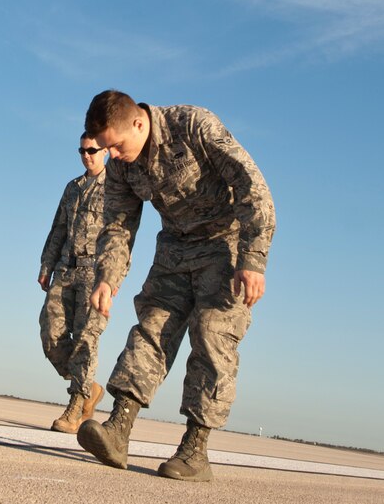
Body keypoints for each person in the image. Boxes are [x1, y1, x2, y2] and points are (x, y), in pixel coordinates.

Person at [76, 90, 275, 482]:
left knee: (212, 339)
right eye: (104, 149)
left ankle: (194, 451)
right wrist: (107, 278)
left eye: (114, 146)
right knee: (150, 327)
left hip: (226, 244)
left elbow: (253, 187)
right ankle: (118, 429)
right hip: (175, 246)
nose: (110, 156)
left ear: (138, 123)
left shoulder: (193, 125)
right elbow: (117, 223)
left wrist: (253, 259)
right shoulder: (120, 164)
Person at [38, 133, 110, 434]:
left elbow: (123, 238)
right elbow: (58, 228)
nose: (86, 156)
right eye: (82, 150)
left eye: (92, 150)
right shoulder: (73, 188)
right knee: (51, 335)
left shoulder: (117, 189)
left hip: (94, 274)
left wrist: (111, 278)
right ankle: (89, 386)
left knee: (85, 339)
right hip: (66, 269)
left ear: (105, 151)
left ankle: (76, 407)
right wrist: (46, 264)